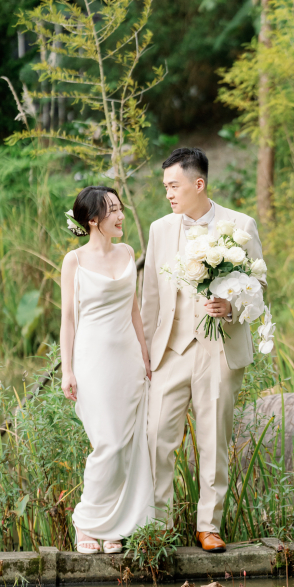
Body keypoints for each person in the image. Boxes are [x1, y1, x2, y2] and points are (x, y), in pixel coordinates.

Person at [141, 147, 263, 553]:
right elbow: (151, 297)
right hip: (171, 350)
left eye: (173, 185)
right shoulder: (160, 229)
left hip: (219, 348)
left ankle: (208, 526)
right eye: (165, 187)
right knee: (157, 435)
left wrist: (231, 307)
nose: (168, 194)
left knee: (213, 439)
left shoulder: (240, 225)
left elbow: (259, 291)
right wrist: (146, 353)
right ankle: (158, 525)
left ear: (199, 184)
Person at [60, 186, 155, 555]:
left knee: (129, 444)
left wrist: (145, 357)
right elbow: (68, 319)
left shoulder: (128, 253)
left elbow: (133, 309)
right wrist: (67, 369)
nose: (121, 215)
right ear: (93, 219)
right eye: (112, 210)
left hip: (128, 359)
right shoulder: (75, 261)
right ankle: (86, 520)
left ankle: (113, 524)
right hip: (93, 360)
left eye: (120, 207)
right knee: (108, 443)